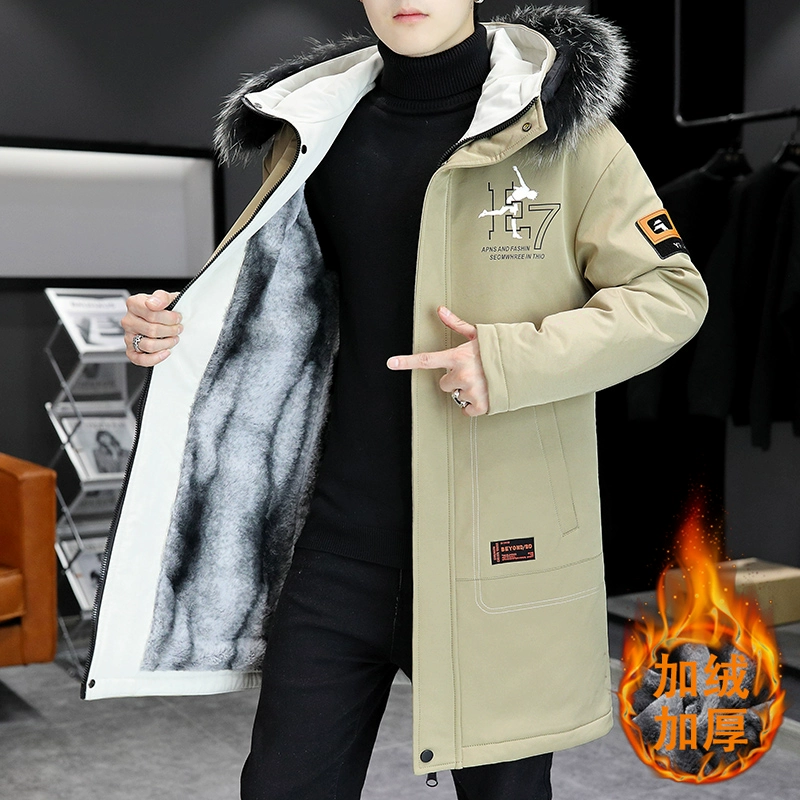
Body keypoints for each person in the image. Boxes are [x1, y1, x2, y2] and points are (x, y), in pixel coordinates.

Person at [84, 3, 708, 799]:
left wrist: (509, 361)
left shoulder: (565, 130)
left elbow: (670, 294)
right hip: (336, 548)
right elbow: (290, 313)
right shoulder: (313, 125)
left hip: (496, 547)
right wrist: (180, 330)